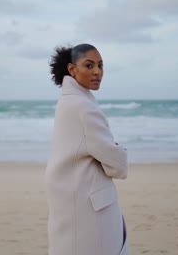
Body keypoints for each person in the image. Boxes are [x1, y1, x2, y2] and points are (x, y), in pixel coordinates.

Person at [45, 43, 130, 255]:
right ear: (72, 70)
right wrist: (120, 150)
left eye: (101, 66)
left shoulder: (67, 102)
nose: (97, 72)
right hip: (91, 205)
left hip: (70, 199)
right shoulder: (84, 107)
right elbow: (118, 166)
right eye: (89, 65)